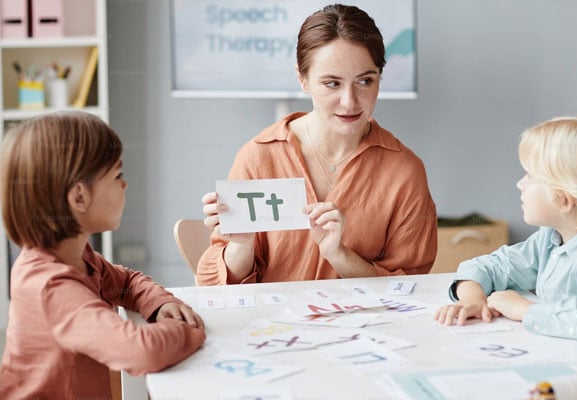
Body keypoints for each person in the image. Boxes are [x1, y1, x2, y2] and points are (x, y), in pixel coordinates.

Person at [197, 4, 437, 285]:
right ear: (302, 79)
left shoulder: (404, 171)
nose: (349, 102)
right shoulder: (259, 157)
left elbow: (411, 284)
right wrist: (241, 246)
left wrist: (339, 256)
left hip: (364, 324)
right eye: (332, 84)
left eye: (365, 81)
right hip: (274, 325)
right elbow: (217, 288)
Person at [0, 111, 206, 398]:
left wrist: (158, 303)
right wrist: (187, 331)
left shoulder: (77, 256)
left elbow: (127, 281)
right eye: (117, 175)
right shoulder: (51, 286)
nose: (124, 184)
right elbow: (141, 351)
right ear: (79, 198)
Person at [434, 115, 577, 368]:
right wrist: (471, 298)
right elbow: (492, 265)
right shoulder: (551, 238)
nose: (519, 183)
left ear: (564, 199)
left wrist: (522, 310)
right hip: (567, 364)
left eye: (530, 176)